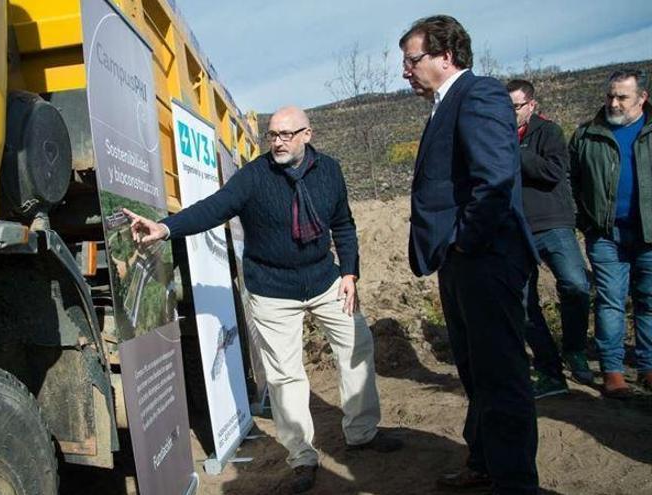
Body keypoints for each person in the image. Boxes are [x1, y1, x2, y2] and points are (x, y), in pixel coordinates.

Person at [125, 106, 401, 494]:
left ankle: (361, 432)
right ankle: (302, 457)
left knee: (357, 347)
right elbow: (213, 208)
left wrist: (350, 272)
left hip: (325, 280)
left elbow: (343, 224)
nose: (279, 141)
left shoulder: (331, 171)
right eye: (273, 134)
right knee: (286, 376)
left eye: (288, 134)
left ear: (308, 134)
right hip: (272, 290)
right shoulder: (254, 176)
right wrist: (166, 227)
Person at [400, 16, 538, 494]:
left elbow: (495, 181)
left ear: (446, 55)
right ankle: (484, 462)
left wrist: (463, 241)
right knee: (477, 374)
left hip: (486, 258)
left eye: (412, 59)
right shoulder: (444, 105)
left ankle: (514, 483)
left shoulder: (478, 94)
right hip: (463, 263)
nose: (405, 70)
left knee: (500, 376)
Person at [506, 79, 593, 396]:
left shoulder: (549, 132)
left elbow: (553, 172)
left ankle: (574, 349)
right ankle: (549, 372)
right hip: (516, 230)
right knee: (525, 304)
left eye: (514, 107)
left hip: (553, 224)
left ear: (532, 105)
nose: (509, 113)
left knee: (575, 284)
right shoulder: (497, 137)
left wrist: (514, 152)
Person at [569, 69, 652, 399]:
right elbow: (570, 180)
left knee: (648, 302)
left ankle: (647, 367)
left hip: (649, 234)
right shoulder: (587, 135)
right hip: (605, 234)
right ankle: (613, 371)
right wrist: (584, 219)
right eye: (610, 96)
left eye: (622, 97)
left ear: (642, 98)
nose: (614, 102)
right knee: (610, 301)